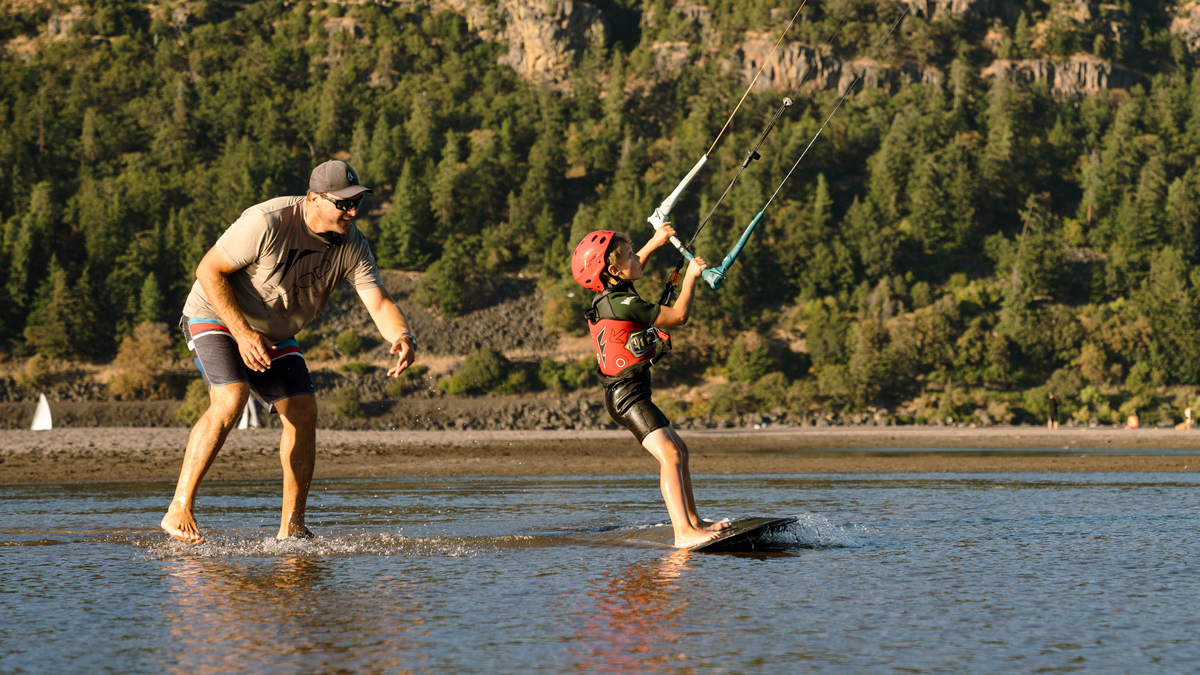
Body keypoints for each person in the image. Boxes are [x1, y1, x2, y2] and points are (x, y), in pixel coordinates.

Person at [161, 160, 417, 544]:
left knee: (303, 410)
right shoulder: (267, 221)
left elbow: (378, 302)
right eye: (342, 203)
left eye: (356, 204)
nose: (351, 212)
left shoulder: (353, 245)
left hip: (275, 332)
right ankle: (179, 507)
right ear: (314, 199)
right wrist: (242, 332)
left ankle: (291, 528)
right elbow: (208, 270)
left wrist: (401, 335)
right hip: (214, 315)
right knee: (232, 397)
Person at [571, 227, 730, 548]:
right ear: (614, 271)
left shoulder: (609, 296)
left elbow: (626, 266)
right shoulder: (626, 303)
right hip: (626, 396)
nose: (636, 257)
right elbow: (679, 316)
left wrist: (656, 242)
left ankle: (695, 522)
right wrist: (691, 278)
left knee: (680, 451)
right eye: (630, 255)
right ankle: (683, 533)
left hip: (631, 394)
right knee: (670, 454)